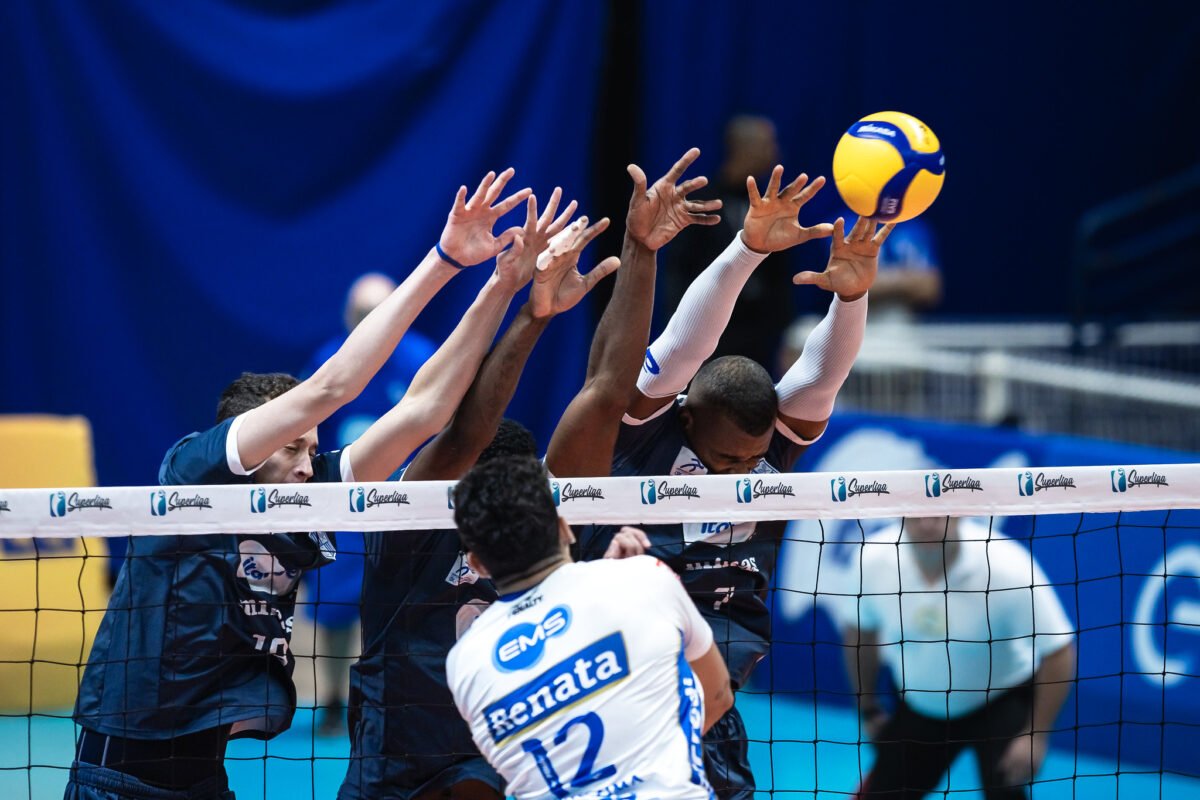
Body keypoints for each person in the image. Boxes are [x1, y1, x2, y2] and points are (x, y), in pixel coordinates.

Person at [66, 169, 535, 800]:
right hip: (119, 779)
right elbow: (329, 389)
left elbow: (424, 411)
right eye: (293, 446)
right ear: (249, 442)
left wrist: (503, 287)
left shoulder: (304, 499)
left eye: (314, 449)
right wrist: (446, 260)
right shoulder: (195, 475)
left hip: (204, 778)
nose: (309, 462)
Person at [339, 149, 721, 800]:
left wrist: (548, 305)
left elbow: (599, 395)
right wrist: (638, 251)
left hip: (491, 774)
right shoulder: (420, 527)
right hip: (406, 778)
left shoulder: (527, 522)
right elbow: (500, 426)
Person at [580, 165, 893, 798]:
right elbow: (684, 349)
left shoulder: (771, 441)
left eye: (750, 463)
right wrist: (747, 249)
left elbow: (819, 377)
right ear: (686, 415)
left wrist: (852, 297)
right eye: (724, 460)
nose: (738, 474)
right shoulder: (648, 422)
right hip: (619, 639)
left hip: (721, 640)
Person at [446, 455, 735, 800]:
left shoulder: (462, 661)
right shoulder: (644, 578)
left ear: (477, 563)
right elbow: (716, 698)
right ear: (563, 527)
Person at [845, 516, 1077, 799]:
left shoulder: (1008, 567)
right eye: (916, 516)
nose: (927, 524)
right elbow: (860, 634)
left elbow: (1058, 651)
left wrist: (1036, 736)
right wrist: (867, 706)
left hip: (999, 701)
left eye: (938, 515)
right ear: (901, 516)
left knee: (1006, 790)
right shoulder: (873, 559)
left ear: (960, 514)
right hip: (920, 703)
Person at [302, 273, 439, 736]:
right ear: (348, 316)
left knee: (402, 610)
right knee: (336, 608)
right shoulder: (329, 362)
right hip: (341, 508)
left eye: (378, 312)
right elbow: (308, 434)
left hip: (403, 506)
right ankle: (334, 701)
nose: (369, 322)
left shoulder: (422, 358)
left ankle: (393, 698)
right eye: (362, 314)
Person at [665, 115, 793, 369]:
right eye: (768, 144)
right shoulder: (701, 201)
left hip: (758, 335)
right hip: (705, 330)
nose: (776, 152)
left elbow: (780, 276)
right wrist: (681, 326)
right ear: (743, 148)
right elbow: (679, 270)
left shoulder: (773, 206)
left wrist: (781, 329)